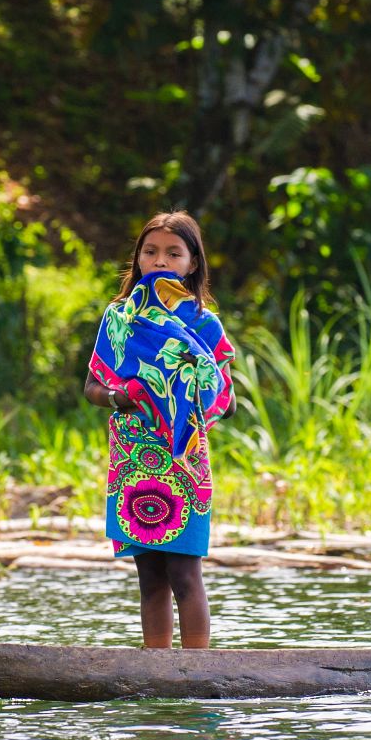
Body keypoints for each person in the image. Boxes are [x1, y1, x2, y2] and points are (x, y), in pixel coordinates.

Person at [84, 212, 235, 649]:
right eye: (150, 252)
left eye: (174, 253)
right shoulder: (118, 319)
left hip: (183, 455)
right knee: (149, 575)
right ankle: (158, 671)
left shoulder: (205, 324)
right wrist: (126, 396)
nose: (161, 260)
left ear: (192, 264)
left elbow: (225, 398)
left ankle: (197, 671)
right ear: (138, 259)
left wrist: (177, 388)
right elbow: (93, 387)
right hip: (133, 455)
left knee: (185, 572)